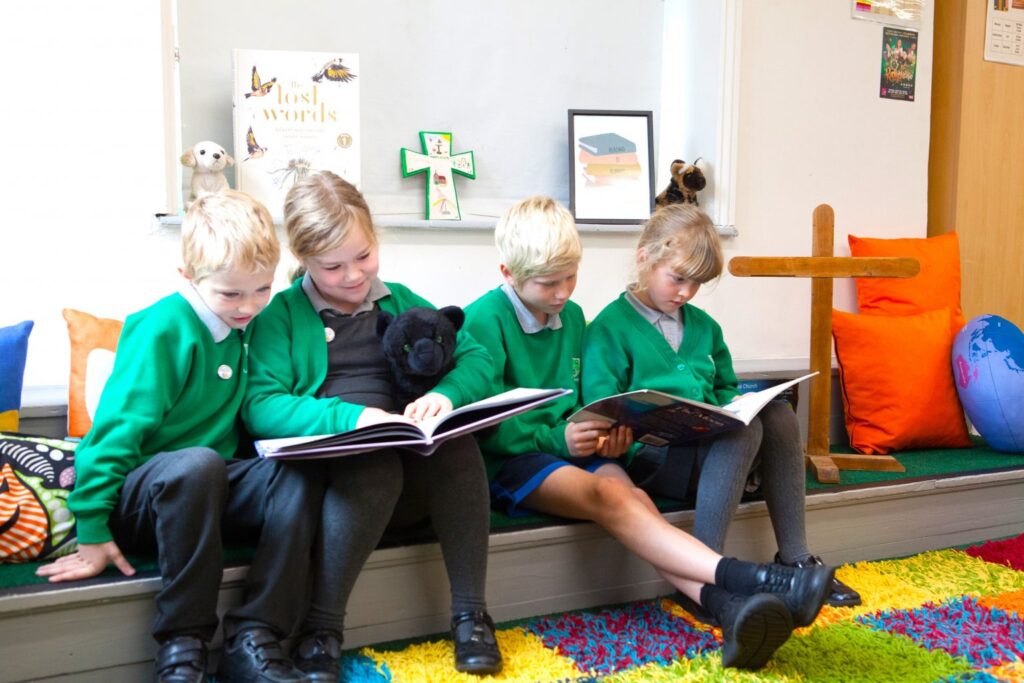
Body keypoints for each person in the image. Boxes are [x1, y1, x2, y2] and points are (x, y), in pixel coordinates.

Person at [463, 196, 835, 671]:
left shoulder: (571, 316)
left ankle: (726, 606)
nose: (562, 293)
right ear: (508, 272)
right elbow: (487, 423)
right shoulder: (484, 319)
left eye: (570, 278)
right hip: (516, 459)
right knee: (611, 497)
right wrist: (561, 440)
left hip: (570, 446)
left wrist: (602, 437)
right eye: (549, 283)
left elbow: (581, 405)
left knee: (635, 500)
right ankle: (753, 578)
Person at [38, 190, 323, 683]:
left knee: (299, 472)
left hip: (209, 489)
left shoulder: (250, 324)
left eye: (262, 289)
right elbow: (113, 435)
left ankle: (256, 635)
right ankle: (182, 647)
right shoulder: (162, 329)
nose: (249, 306)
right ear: (188, 276)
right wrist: (93, 529)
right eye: (231, 294)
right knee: (197, 464)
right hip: (141, 495)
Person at [242, 171, 502, 680]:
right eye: (332, 266)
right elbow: (261, 404)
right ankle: (322, 627)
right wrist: (353, 418)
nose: (353, 275)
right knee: (373, 466)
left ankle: (471, 614)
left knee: (458, 446)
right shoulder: (282, 316)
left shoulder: (400, 300)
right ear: (302, 257)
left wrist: (445, 395)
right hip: (343, 487)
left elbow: (477, 357)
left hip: (413, 478)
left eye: (363, 256)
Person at [581, 203, 861, 614]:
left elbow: (725, 387)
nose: (686, 292)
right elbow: (601, 406)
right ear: (644, 258)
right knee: (743, 431)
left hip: (710, 450)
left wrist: (735, 405)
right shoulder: (609, 327)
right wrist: (617, 436)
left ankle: (796, 557)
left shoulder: (704, 327)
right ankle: (703, 571)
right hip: (651, 461)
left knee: (778, 414)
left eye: (697, 283)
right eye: (678, 279)